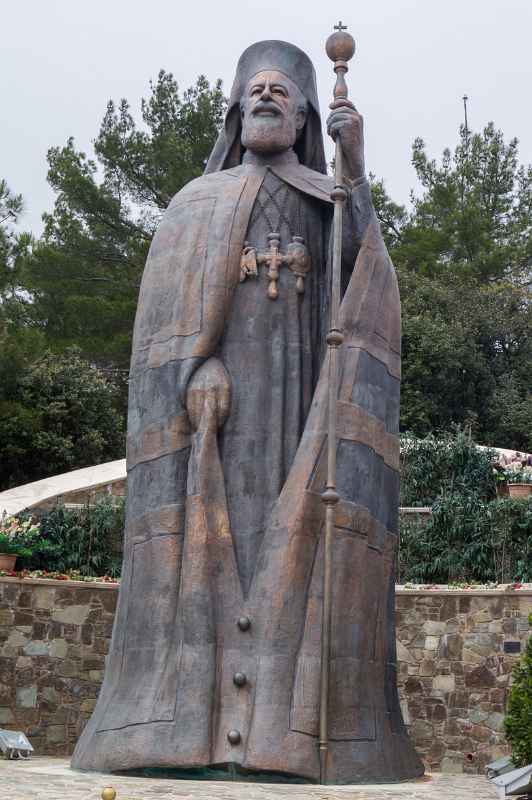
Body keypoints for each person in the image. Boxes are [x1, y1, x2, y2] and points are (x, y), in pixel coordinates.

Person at [72, 39, 422, 783]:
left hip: (302, 421)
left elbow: (368, 283)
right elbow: (162, 327)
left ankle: (288, 744)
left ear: (303, 119)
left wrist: (356, 169)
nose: (267, 97)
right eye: (255, 89)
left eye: (281, 92)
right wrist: (193, 369)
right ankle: (182, 736)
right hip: (216, 420)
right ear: (236, 112)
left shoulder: (329, 200)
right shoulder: (193, 206)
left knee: (292, 545)